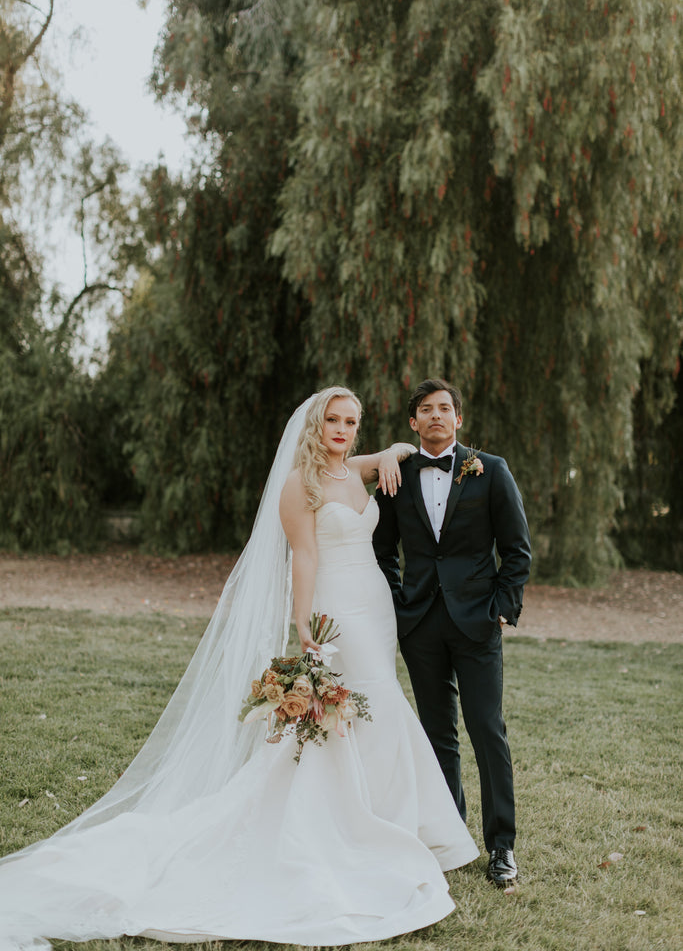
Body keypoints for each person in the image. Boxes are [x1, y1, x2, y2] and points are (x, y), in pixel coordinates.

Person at [0, 386, 478, 951]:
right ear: (314, 425)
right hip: (332, 607)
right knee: (354, 709)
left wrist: (398, 447)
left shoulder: (355, 470)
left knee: (371, 705)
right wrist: (304, 624)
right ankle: (352, 829)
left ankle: (390, 822)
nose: (343, 429)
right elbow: (303, 554)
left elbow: (385, 457)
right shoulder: (300, 485)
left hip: (373, 604)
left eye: (352, 421)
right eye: (333, 420)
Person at [373, 378, 532, 888]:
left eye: (445, 408)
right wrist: (399, 603)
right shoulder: (395, 476)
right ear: (413, 423)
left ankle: (502, 847)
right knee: (437, 735)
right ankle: (450, 837)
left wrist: (502, 610)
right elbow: (381, 550)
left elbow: (517, 550)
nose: (437, 416)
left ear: (458, 419)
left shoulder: (492, 472)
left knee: (487, 730)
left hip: (478, 621)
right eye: (426, 409)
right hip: (420, 624)